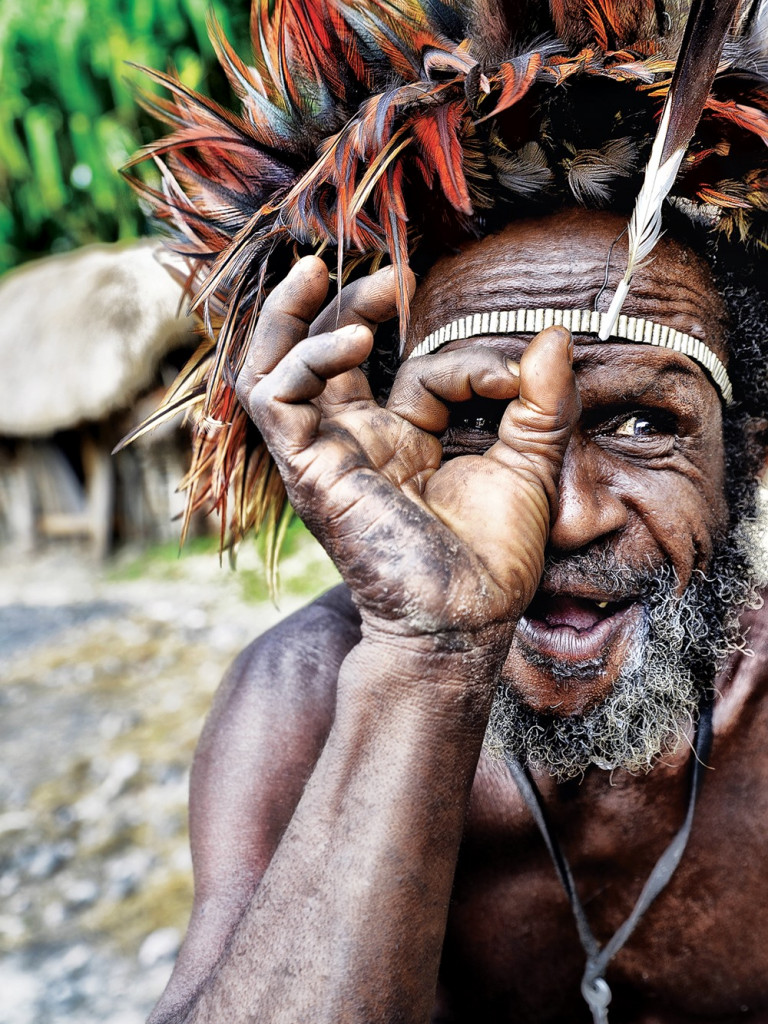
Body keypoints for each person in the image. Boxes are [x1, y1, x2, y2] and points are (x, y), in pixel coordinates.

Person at [128, 2, 768, 1021]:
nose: (562, 517)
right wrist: (429, 651)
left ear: (743, 457)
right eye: (476, 419)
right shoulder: (311, 700)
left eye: (644, 423)